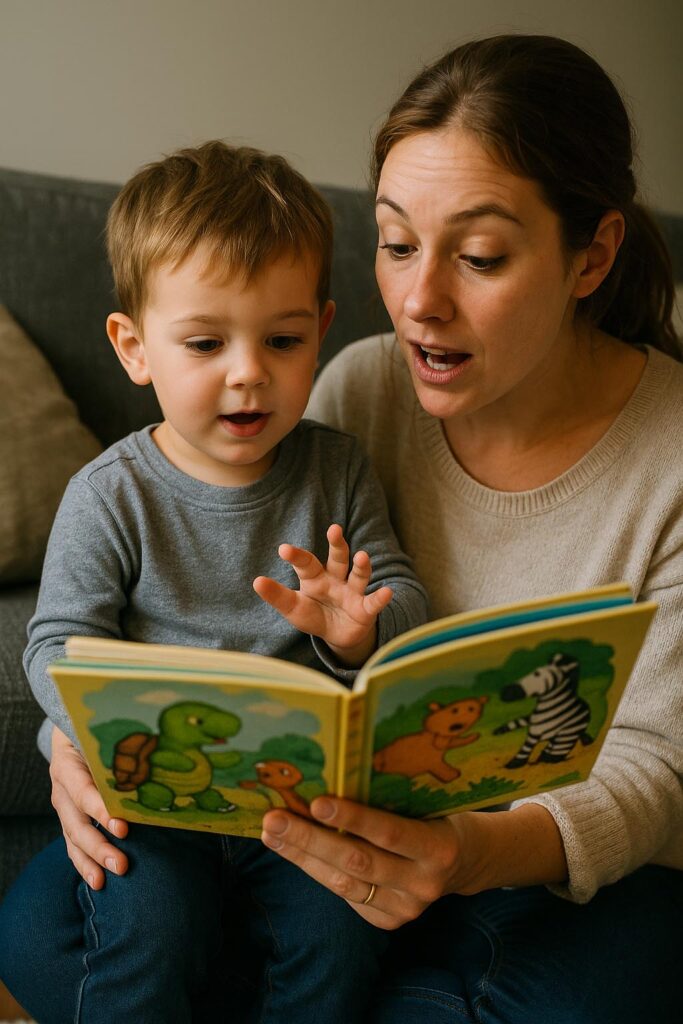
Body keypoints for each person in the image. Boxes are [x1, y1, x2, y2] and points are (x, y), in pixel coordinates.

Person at [2, 33, 681, 1024]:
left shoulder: (661, 454)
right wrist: (81, 749)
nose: (414, 302)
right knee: (55, 926)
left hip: (539, 879)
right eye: (396, 243)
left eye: (480, 255)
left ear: (593, 255)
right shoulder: (363, 387)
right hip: (311, 838)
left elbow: (655, 768)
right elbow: (85, 636)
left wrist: (468, 850)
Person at [0, 140, 429, 1023]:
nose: (249, 372)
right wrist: (101, 714)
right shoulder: (109, 492)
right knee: (150, 920)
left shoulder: (337, 468)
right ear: (134, 347)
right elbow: (52, 642)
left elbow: (401, 599)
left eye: (283, 339)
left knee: (340, 931)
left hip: (302, 801)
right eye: (205, 342)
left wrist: (357, 627)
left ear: (322, 327)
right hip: (159, 794)